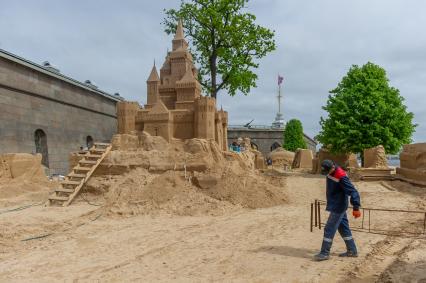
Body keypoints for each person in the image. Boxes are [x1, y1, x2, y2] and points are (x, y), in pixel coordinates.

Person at [314, 159, 361, 261]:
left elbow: (353, 191)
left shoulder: (341, 176)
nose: (327, 174)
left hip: (338, 206)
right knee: (343, 228)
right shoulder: (330, 171)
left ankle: (324, 253)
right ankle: (352, 251)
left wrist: (356, 207)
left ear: (333, 167)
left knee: (329, 228)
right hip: (336, 203)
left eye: (328, 171)